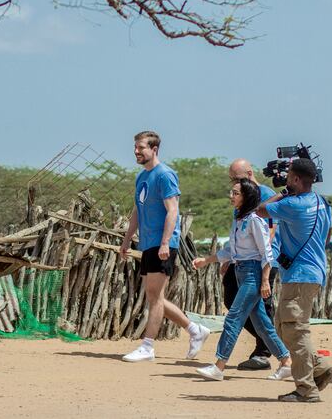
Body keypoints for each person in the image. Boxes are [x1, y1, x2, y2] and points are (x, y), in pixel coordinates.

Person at [119, 131, 210, 362]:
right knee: (154, 295)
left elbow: (173, 210)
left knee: (155, 295)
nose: (136, 152)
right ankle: (194, 330)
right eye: (135, 148)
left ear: (154, 149)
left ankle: (148, 347)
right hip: (148, 242)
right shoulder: (141, 177)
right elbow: (136, 211)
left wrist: (165, 243)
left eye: (141, 148)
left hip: (163, 243)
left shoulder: (165, 175)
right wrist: (127, 238)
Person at [192, 178, 292, 381]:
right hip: (241, 272)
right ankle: (287, 362)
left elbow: (266, 252)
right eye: (232, 192)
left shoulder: (255, 220)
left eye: (235, 193)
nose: (231, 196)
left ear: (246, 197)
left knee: (233, 317)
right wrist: (207, 260)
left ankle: (219, 366)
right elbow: (231, 250)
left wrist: (265, 280)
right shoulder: (239, 219)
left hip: (253, 274)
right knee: (262, 324)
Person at [256, 158, 332, 403]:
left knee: (295, 330)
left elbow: (261, 210)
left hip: (300, 275)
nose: (286, 179)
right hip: (313, 272)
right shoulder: (322, 202)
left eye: (289, 176)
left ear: (296, 180)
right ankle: (319, 366)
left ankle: (306, 389)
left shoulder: (293, 204)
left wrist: (282, 194)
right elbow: (328, 233)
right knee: (283, 325)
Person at [222, 159, 282, 372]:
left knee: (261, 305)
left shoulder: (264, 195)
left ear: (249, 174)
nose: (233, 185)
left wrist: (264, 268)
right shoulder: (241, 197)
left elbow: (269, 230)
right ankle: (271, 343)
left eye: (237, 179)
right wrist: (230, 257)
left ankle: (264, 351)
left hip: (261, 260)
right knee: (231, 298)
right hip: (242, 260)